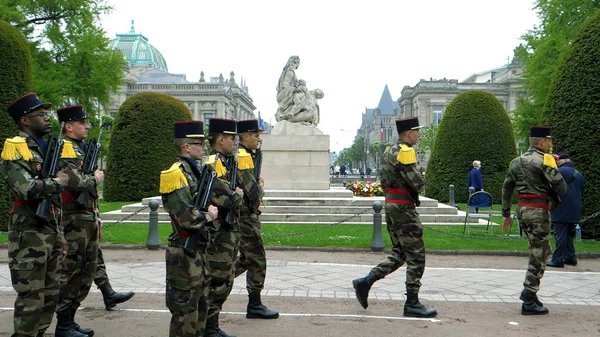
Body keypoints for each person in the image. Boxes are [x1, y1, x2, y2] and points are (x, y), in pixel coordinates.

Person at [352, 117, 437, 318]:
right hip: (404, 208)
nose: (419, 134)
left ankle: (366, 281)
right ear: (408, 133)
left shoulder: (387, 151)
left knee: (400, 254)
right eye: (417, 131)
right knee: (416, 256)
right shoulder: (406, 152)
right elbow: (417, 183)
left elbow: (384, 181)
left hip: (392, 205)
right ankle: (412, 303)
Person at [0, 93, 70, 337]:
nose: (47, 118)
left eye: (46, 113)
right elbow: (26, 189)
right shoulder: (16, 149)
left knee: (50, 297)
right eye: (41, 115)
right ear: (25, 121)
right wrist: (57, 182)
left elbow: (52, 202)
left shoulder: (45, 148)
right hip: (28, 233)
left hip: (49, 231)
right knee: (31, 300)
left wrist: (60, 234)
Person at [160, 121, 219, 337]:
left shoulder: (195, 172)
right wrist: (209, 215)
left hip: (198, 250)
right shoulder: (174, 175)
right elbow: (187, 218)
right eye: (199, 143)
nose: (204, 148)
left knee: (201, 309)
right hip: (183, 253)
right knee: (184, 314)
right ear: (187, 146)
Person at [501, 126, 567, 315]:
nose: (551, 144)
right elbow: (561, 187)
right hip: (538, 210)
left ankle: (531, 292)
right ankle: (529, 296)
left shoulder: (516, 161)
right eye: (549, 140)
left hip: (522, 209)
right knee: (539, 253)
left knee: (543, 250)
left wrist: (506, 213)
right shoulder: (544, 160)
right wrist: (554, 167)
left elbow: (507, 188)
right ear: (541, 142)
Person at [55, 105, 104, 337]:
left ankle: (70, 320)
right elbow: (75, 182)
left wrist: (97, 213)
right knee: (73, 272)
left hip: (87, 215)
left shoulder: (80, 148)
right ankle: (63, 324)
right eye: (81, 122)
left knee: (86, 272)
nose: (86, 126)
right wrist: (94, 178)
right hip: (73, 218)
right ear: (69, 126)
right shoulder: (66, 149)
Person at [233, 120, 279, 319]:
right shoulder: (243, 157)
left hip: (244, 214)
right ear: (245, 137)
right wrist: (260, 188)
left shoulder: (247, 155)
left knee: (245, 259)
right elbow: (252, 191)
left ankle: (212, 282)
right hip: (245, 215)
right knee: (257, 259)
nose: (259, 139)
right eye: (255, 135)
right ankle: (254, 304)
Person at [204, 118, 244, 337]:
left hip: (228, 229)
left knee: (225, 280)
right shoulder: (213, 163)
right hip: (218, 233)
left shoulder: (226, 161)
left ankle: (211, 324)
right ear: (220, 139)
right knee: (219, 281)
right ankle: (209, 326)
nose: (235, 142)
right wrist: (237, 195)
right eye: (232, 138)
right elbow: (225, 197)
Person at [547, 154, 584, 268]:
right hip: (575, 208)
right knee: (568, 234)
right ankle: (570, 257)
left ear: (563, 160)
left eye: (558, 160)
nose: (556, 162)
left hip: (562, 207)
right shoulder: (579, 174)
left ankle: (558, 259)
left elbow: (551, 188)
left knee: (560, 234)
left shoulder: (559, 172)